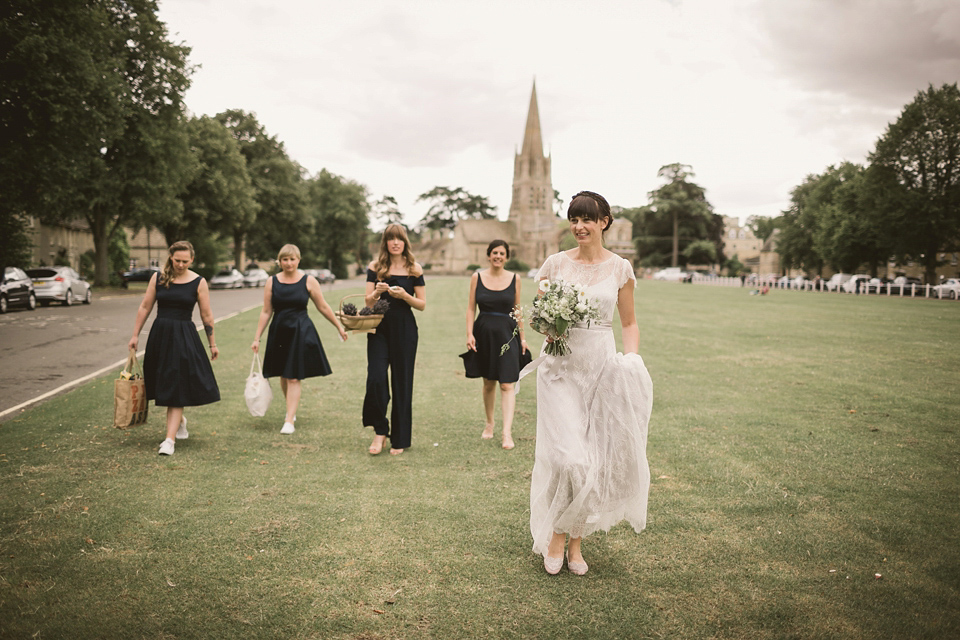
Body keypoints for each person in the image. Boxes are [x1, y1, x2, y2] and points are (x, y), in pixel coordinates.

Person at [526, 191, 653, 576]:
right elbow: (541, 316)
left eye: (587, 219)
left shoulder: (620, 269)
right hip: (560, 370)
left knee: (592, 459)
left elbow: (628, 323)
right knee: (568, 458)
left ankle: (574, 540)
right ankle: (555, 538)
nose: (579, 227)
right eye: (573, 219)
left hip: (601, 370)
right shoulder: (554, 264)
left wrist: (630, 362)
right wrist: (549, 324)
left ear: (604, 221)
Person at [128, 241, 220, 456]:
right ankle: (179, 420)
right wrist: (134, 335)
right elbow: (145, 306)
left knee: (176, 385)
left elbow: (206, 315)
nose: (180, 264)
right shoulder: (157, 278)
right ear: (170, 257)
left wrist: (212, 343)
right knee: (163, 382)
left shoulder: (199, 282)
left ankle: (168, 441)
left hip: (184, 337)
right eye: (177, 260)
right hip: (160, 335)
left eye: (185, 261)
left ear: (192, 260)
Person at [251, 245, 348, 434]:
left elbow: (323, 307)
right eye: (285, 259)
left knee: (294, 376)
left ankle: (289, 420)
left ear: (298, 260)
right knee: (284, 374)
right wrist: (257, 338)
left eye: (292, 259)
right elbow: (266, 311)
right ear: (279, 261)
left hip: (300, 330)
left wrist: (338, 326)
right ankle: (291, 410)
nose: (288, 263)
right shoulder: (271, 282)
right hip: (279, 330)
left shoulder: (309, 281)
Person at [363, 224, 426, 456]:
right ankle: (380, 431)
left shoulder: (414, 269)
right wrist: (378, 293)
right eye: (391, 239)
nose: (395, 243)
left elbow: (422, 304)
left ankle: (399, 438)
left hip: (405, 330)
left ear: (405, 242)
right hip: (378, 329)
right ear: (386, 243)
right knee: (376, 379)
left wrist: (405, 295)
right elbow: (368, 302)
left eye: (399, 239)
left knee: (402, 382)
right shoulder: (376, 267)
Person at [462, 239, 530, 449]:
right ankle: (489, 423)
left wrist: (523, 337)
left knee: (507, 383)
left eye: (502, 253)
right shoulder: (477, 277)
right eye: (495, 253)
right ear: (488, 255)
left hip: (508, 335)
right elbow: (471, 308)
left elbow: (517, 309)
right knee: (488, 383)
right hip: (484, 334)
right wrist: (469, 333)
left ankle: (506, 433)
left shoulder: (515, 278)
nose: (498, 256)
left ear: (506, 257)